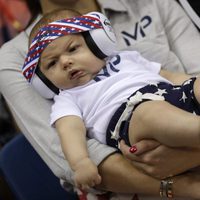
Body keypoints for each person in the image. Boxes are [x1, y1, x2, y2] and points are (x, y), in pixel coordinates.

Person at [1, 0, 200, 199]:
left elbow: (171, 77)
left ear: (97, 44)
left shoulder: (125, 58)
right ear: (44, 81)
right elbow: (69, 132)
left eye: (72, 49)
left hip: (172, 96)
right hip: (131, 118)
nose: (65, 62)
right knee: (152, 113)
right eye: (52, 63)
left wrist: (192, 85)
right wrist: (81, 163)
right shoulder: (67, 98)